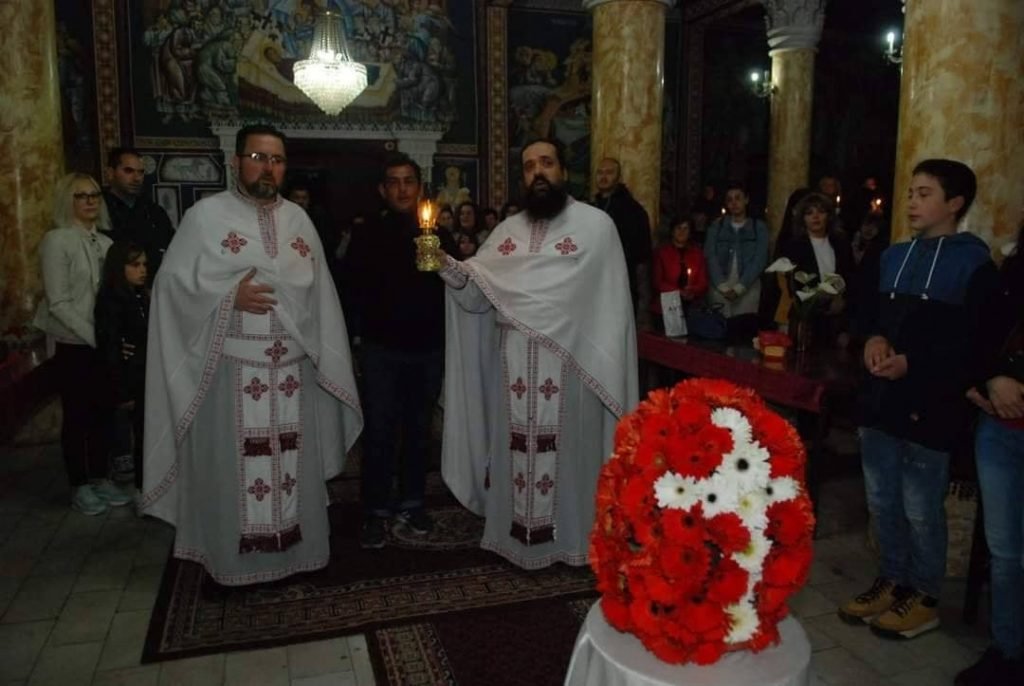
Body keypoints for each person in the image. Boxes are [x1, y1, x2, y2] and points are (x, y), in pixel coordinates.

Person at [141, 125, 362, 585]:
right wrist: (226, 296)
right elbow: (170, 286)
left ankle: (296, 557)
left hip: (293, 372)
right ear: (236, 161)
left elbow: (320, 295)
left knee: (292, 468)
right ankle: (230, 565)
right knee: (232, 471)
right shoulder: (205, 217)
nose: (268, 168)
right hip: (231, 371)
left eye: (277, 160)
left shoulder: (299, 221)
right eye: (258, 157)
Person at [439, 138, 638, 569]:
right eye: (529, 167)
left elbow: (609, 306)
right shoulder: (506, 233)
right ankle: (514, 539)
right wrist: (445, 267)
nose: (538, 173)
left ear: (563, 170)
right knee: (514, 449)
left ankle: (571, 541)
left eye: (546, 163)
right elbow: (476, 294)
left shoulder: (596, 227)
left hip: (572, 367)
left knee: (570, 456)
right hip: (513, 364)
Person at [838, 159, 997, 638]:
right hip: (880, 400)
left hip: (930, 406)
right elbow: (867, 315)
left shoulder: (974, 264)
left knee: (920, 508)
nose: (911, 202)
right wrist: (872, 340)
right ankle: (892, 581)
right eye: (910, 192)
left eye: (924, 194)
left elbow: (973, 344)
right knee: (881, 501)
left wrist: (913, 363)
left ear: (955, 203)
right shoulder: (891, 257)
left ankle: (925, 597)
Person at [345, 153, 457, 550]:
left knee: (419, 430)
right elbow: (352, 288)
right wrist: (356, 338)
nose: (402, 189)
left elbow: (457, 284)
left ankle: (412, 502)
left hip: (427, 348)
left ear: (419, 187)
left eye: (409, 181)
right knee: (380, 431)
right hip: (381, 349)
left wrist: (444, 263)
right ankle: (375, 510)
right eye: (393, 182)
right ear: (382, 189)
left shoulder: (438, 235)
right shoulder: (366, 233)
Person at [34, 172, 131, 515]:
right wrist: (97, 338)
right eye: (81, 196)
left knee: (104, 413)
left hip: (101, 343)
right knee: (77, 416)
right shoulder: (57, 240)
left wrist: (115, 337)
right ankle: (80, 485)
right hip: (73, 343)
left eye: (94, 195)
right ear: (67, 200)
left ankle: (101, 477)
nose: (90, 201)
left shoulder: (105, 243)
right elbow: (58, 302)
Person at [957, 223, 1024, 686]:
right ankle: (1006, 650)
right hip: (1000, 430)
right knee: (1005, 552)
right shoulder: (1012, 271)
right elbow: (981, 336)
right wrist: (988, 380)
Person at [95, 241, 150, 493]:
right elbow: (110, 346)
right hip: (130, 380)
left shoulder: (140, 295)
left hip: (144, 376)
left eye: (144, 264)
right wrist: (123, 391)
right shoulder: (111, 299)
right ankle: (142, 490)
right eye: (135, 265)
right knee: (138, 436)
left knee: (146, 435)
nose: (142, 270)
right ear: (120, 267)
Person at [780, 192, 855, 346]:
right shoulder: (794, 246)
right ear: (803, 218)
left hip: (838, 318)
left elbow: (851, 276)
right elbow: (795, 284)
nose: (816, 217)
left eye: (821, 211)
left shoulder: (841, 243)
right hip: (807, 318)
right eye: (809, 213)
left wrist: (842, 300)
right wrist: (821, 298)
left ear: (829, 215)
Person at [591, 157, 653, 328]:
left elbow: (642, 258)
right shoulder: (591, 208)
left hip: (621, 282)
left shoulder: (633, 211)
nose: (604, 177)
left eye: (609, 172)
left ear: (618, 177)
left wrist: (643, 304)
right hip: (593, 281)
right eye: (600, 172)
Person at [704, 182, 770, 336]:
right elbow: (710, 255)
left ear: (746, 200)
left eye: (738, 198)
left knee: (744, 330)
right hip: (720, 286)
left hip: (748, 286)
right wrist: (722, 286)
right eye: (730, 199)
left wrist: (740, 287)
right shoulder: (717, 226)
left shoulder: (758, 227)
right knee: (720, 330)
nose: (734, 203)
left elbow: (760, 259)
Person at [101, 147, 175, 282]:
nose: (136, 178)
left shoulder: (153, 211)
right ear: (110, 173)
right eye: (128, 171)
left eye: (140, 172)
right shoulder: (99, 208)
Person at [650, 215, 708, 328]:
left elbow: (703, 282)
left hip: (692, 305)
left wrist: (692, 291)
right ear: (672, 231)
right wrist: (678, 292)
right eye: (678, 228)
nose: (682, 232)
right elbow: (657, 282)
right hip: (667, 305)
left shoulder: (697, 254)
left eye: (685, 228)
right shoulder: (662, 253)